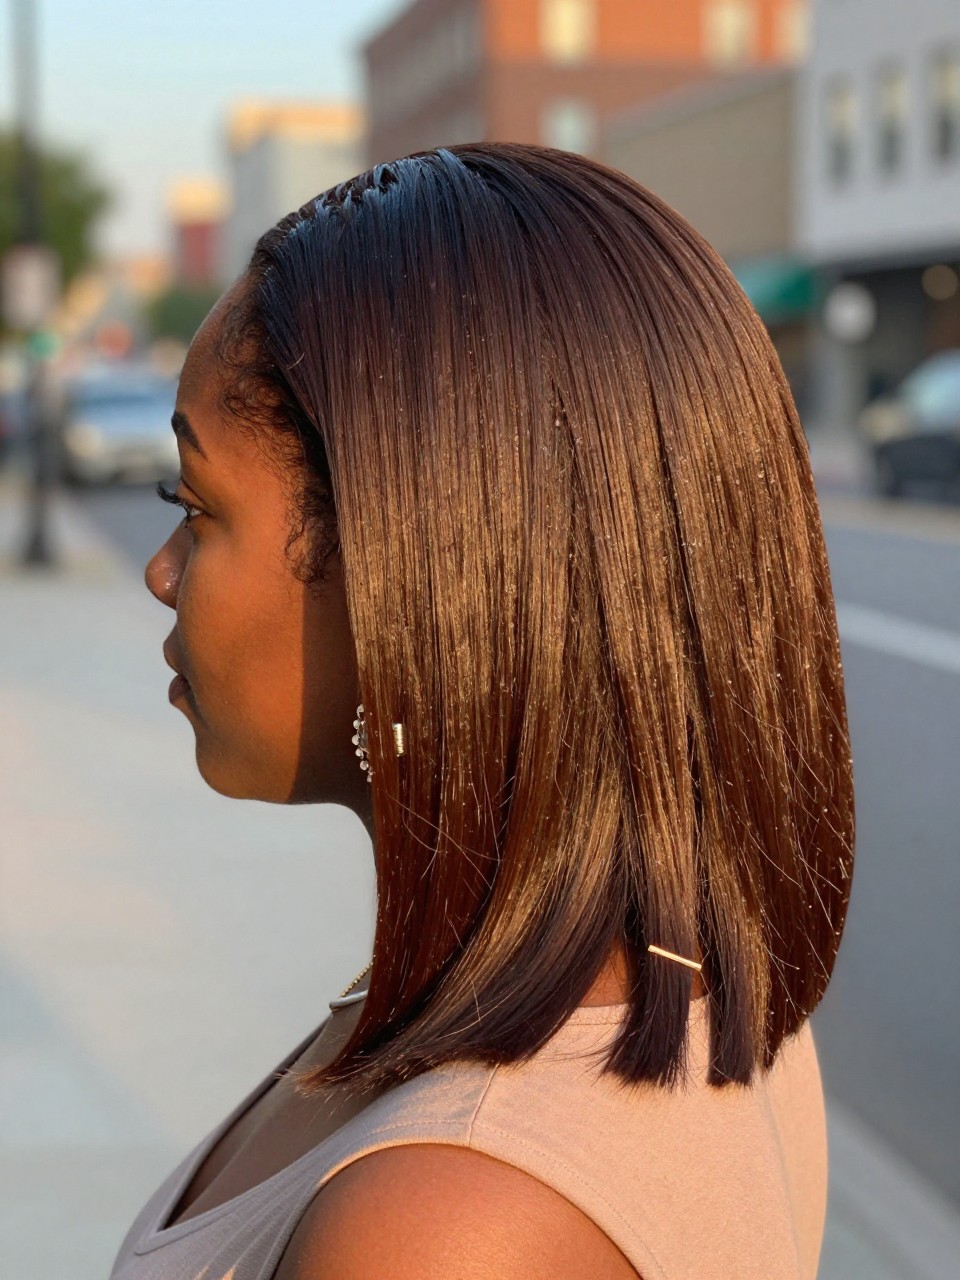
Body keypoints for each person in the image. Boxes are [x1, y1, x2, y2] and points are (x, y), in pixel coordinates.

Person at [113, 142, 855, 1280]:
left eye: (196, 504)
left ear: (406, 577)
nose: (162, 571)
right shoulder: (688, 973)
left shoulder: (445, 1229)